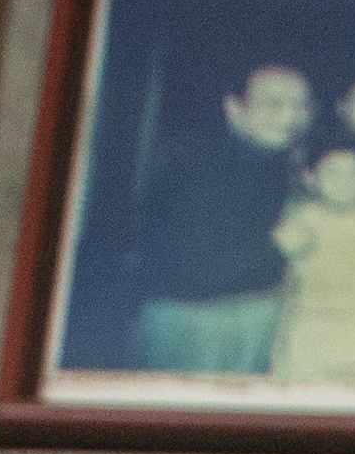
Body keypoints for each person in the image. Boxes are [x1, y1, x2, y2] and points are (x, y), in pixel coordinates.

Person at [111, 53, 307, 375]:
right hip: (196, 326)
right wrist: (278, 247)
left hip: (247, 318)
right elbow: (185, 271)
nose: (290, 117)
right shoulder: (200, 167)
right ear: (235, 109)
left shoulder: (272, 161)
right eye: (273, 104)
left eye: (299, 106)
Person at [266, 142, 355, 379]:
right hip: (311, 340)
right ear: (312, 179)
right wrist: (278, 351)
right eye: (333, 174)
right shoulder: (300, 222)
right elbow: (288, 291)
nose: (345, 183)